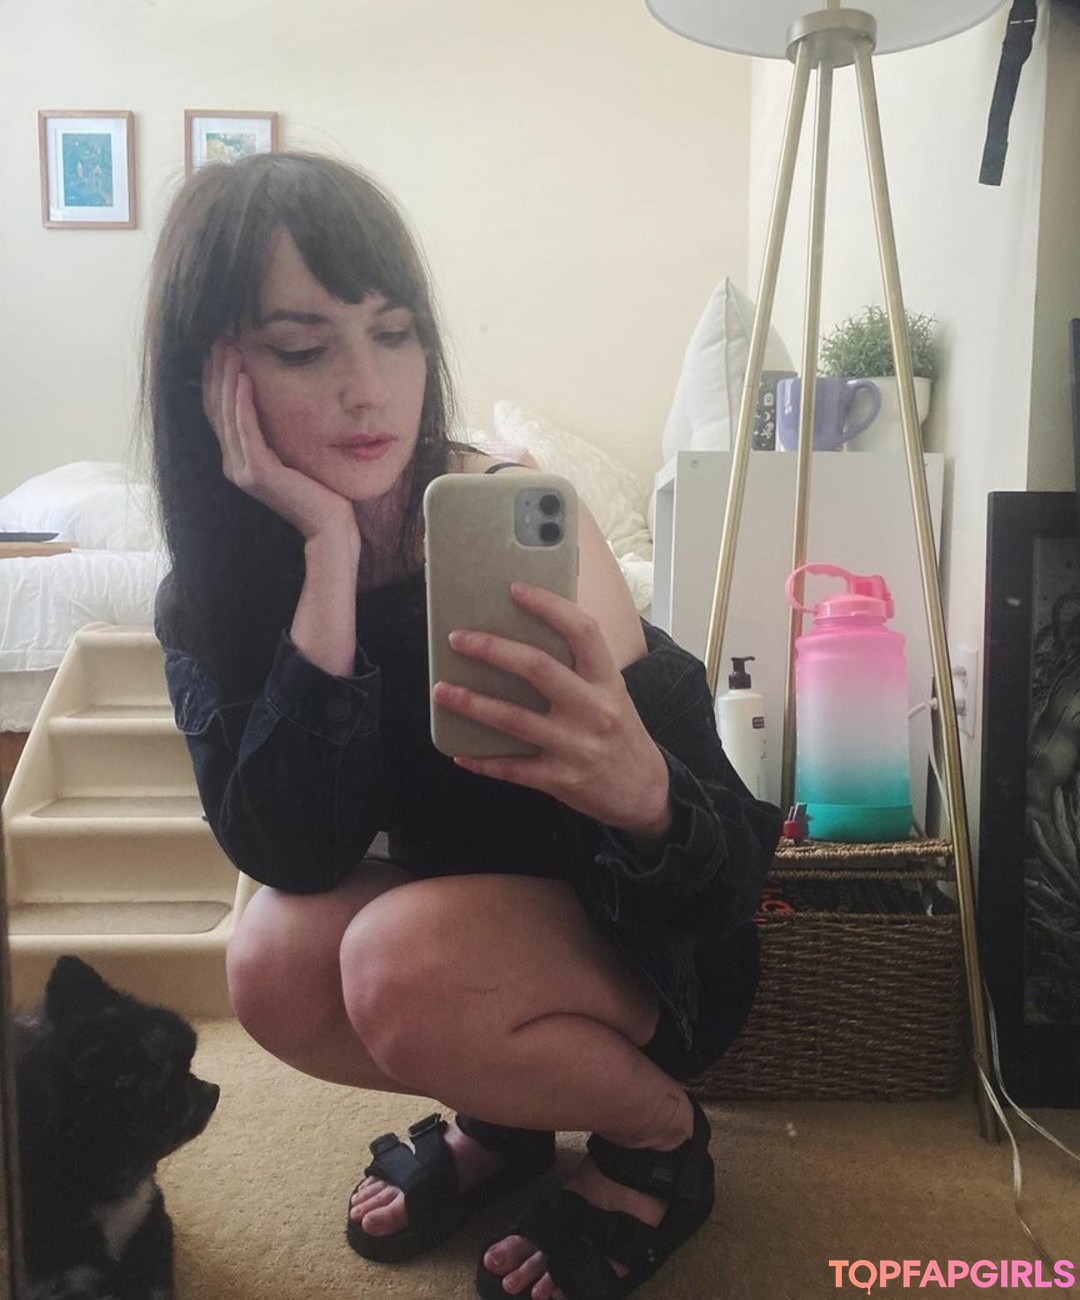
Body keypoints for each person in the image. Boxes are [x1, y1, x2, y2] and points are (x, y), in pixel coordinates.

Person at [146, 150, 782, 1300]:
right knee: (271, 959)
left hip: (648, 949)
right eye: (304, 348)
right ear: (211, 375)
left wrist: (642, 791)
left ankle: (658, 1137)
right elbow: (291, 853)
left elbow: (726, 892)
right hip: (462, 958)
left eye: (394, 333)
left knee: (398, 959)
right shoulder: (215, 592)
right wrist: (327, 561)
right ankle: (507, 1114)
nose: (368, 388)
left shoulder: (518, 522)